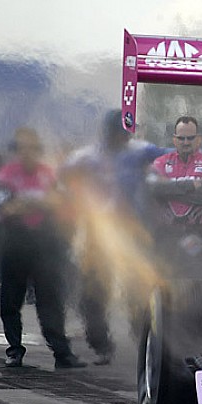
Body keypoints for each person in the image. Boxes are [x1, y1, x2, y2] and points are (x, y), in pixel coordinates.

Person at [63, 110, 168, 364]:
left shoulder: (139, 151)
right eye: (118, 133)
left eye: (125, 134)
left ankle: (142, 341)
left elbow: (169, 157)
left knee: (137, 288)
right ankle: (101, 344)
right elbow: (64, 176)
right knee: (94, 291)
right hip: (98, 232)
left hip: (131, 228)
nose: (122, 138)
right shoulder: (87, 157)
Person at [0, 128, 86, 368]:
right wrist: (38, 203)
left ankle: (61, 352)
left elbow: (58, 203)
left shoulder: (48, 174)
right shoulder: (6, 175)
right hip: (15, 241)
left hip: (44, 244)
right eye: (22, 148)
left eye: (32, 148)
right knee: (11, 299)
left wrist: (26, 202)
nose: (27, 153)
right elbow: (5, 209)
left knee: (50, 299)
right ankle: (14, 349)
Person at [145, 116, 202, 275]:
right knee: (164, 283)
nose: (186, 142)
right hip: (166, 236)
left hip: (200, 235)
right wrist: (189, 185)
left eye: (190, 138)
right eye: (181, 138)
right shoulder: (160, 162)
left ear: (198, 139)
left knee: (199, 284)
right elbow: (152, 189)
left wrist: (169, 189)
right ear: (174, 140)